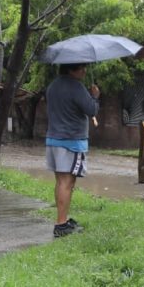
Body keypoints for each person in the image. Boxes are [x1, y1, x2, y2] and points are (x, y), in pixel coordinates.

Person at [45, 63, 100, 237]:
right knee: (67, 183)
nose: (84, 70)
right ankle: (61, 224)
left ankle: (62, 220)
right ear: (70, 69)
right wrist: (95, 97)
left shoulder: (53, 86)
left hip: (53, 140)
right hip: (71, 141)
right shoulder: (76, 87)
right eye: (81, 68)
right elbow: (91, 110)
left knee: (61, 182)